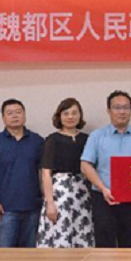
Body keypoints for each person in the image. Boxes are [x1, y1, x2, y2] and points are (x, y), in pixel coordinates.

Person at [81, 91, 131, 248]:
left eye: (126, 107)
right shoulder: (97, 136)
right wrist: (103, 188)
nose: (122, 112)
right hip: (104, 198)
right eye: (117, 107)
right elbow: (85, 165)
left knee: (130, 245)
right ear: (108, 110)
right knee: (104, 245)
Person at [0, 99, 44, 248]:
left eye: (18, 112)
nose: (15, 116)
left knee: (29, 256)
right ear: (3, 118)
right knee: (4, 256)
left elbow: (44, 173)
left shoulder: (37, 141)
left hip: (33, 208)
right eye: (10, 113)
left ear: (24, 115)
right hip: (5, 209)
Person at [37, 98, 94, 248]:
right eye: (66, 113)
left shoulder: (87, 139)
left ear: (80, 115)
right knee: (61, 233)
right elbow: (46, 173)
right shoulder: (52, 140)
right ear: (59, 116)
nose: (70, 117)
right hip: (60, 194)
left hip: (83, 193)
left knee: (82, 233)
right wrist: (50, 202)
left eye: (74, 113)